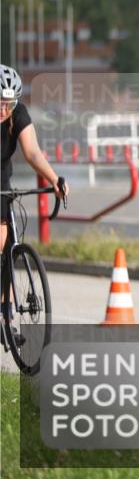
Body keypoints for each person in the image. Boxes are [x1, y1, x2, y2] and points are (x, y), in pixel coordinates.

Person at [1, 65, 68, 333]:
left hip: (1, 178)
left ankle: (7, 310)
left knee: (7, 244)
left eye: (9, 103)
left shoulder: (17, 114)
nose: (4, 109)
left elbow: (33, 153)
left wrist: (54, 180)